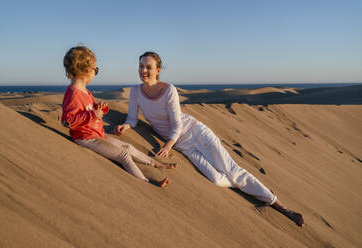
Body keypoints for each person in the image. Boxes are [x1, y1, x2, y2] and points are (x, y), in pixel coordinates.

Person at [114, 51, 305, 226]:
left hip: (196, 133)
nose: (143, 70)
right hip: (184, 147)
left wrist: (167, 146)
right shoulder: (136, 91)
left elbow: (177, 124)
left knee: (233, 171)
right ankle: (253, 187)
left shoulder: (168, 90)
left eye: (148, 67)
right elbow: (133, 118)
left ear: (158, 70)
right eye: (141, 66)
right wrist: (126, 125)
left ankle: (280, 206)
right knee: (217, 179)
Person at [61, 46, 176, 188]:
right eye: (95, 70)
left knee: (128, 147)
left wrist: (99, 108)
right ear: (85, 70)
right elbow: (67, 121)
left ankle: (156, 164)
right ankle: (146, 184)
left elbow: (88, 110)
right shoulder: (73, 93)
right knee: (123, 156)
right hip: (86, 139)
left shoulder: (84, 91)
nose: (96, 73)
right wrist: (92, 115)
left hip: (98, 135)